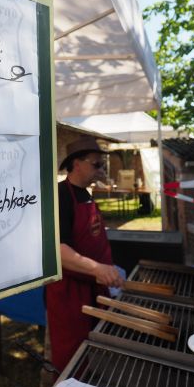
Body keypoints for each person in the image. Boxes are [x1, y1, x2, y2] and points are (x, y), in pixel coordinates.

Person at [45, 137, 123, 373]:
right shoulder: (60, 196)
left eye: (102, 164)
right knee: (69, 358)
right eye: (96, 164)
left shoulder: (86, 195)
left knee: (93, 350)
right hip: (68, 294)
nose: (101, 169)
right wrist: (97, 268)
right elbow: (58, 250)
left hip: (93, 288)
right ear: (76, 164)